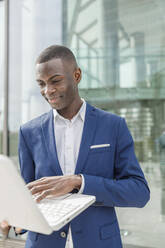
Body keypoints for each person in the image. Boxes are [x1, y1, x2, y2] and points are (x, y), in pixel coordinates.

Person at [0, 45, 150, 248]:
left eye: (55, 81)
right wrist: (16, 221)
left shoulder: (113, 126)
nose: (48, 90)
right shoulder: (29, 132)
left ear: (77, 75)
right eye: (41, 84)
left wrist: (79, 182)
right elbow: (29, 193)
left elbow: (139, 192)